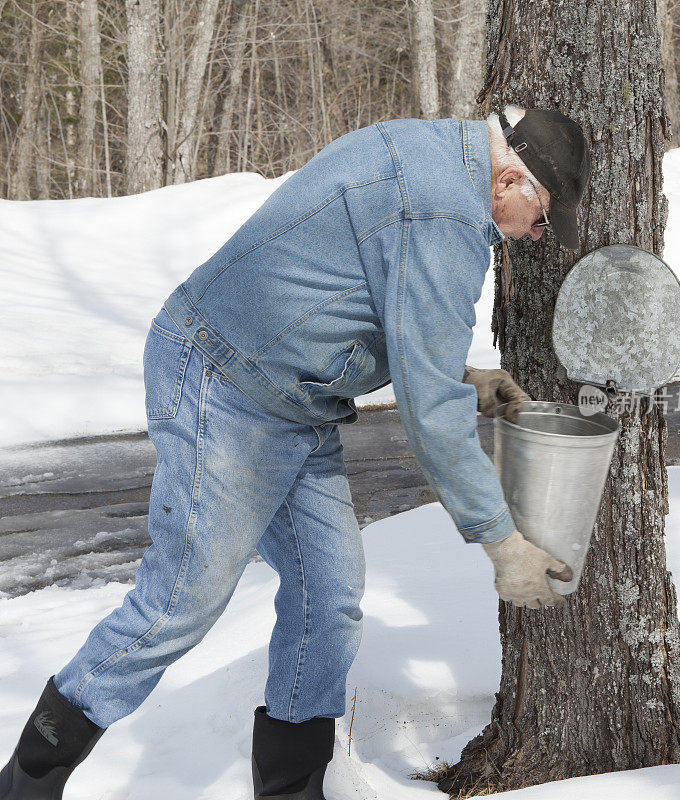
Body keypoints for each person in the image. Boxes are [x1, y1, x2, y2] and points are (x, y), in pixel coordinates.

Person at [0, 104, 590, 800]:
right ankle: (30, 778)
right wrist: (502, 542)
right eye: (542, 216)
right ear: (510, 182)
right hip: (223, 380)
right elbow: (431, 415)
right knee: (180, 601)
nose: (533, 233)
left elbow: (350, 286)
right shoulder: (447, 215)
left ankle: (291, 790)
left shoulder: (433, 156)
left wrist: (459, 378)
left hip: (289, 396)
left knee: (328, 593)